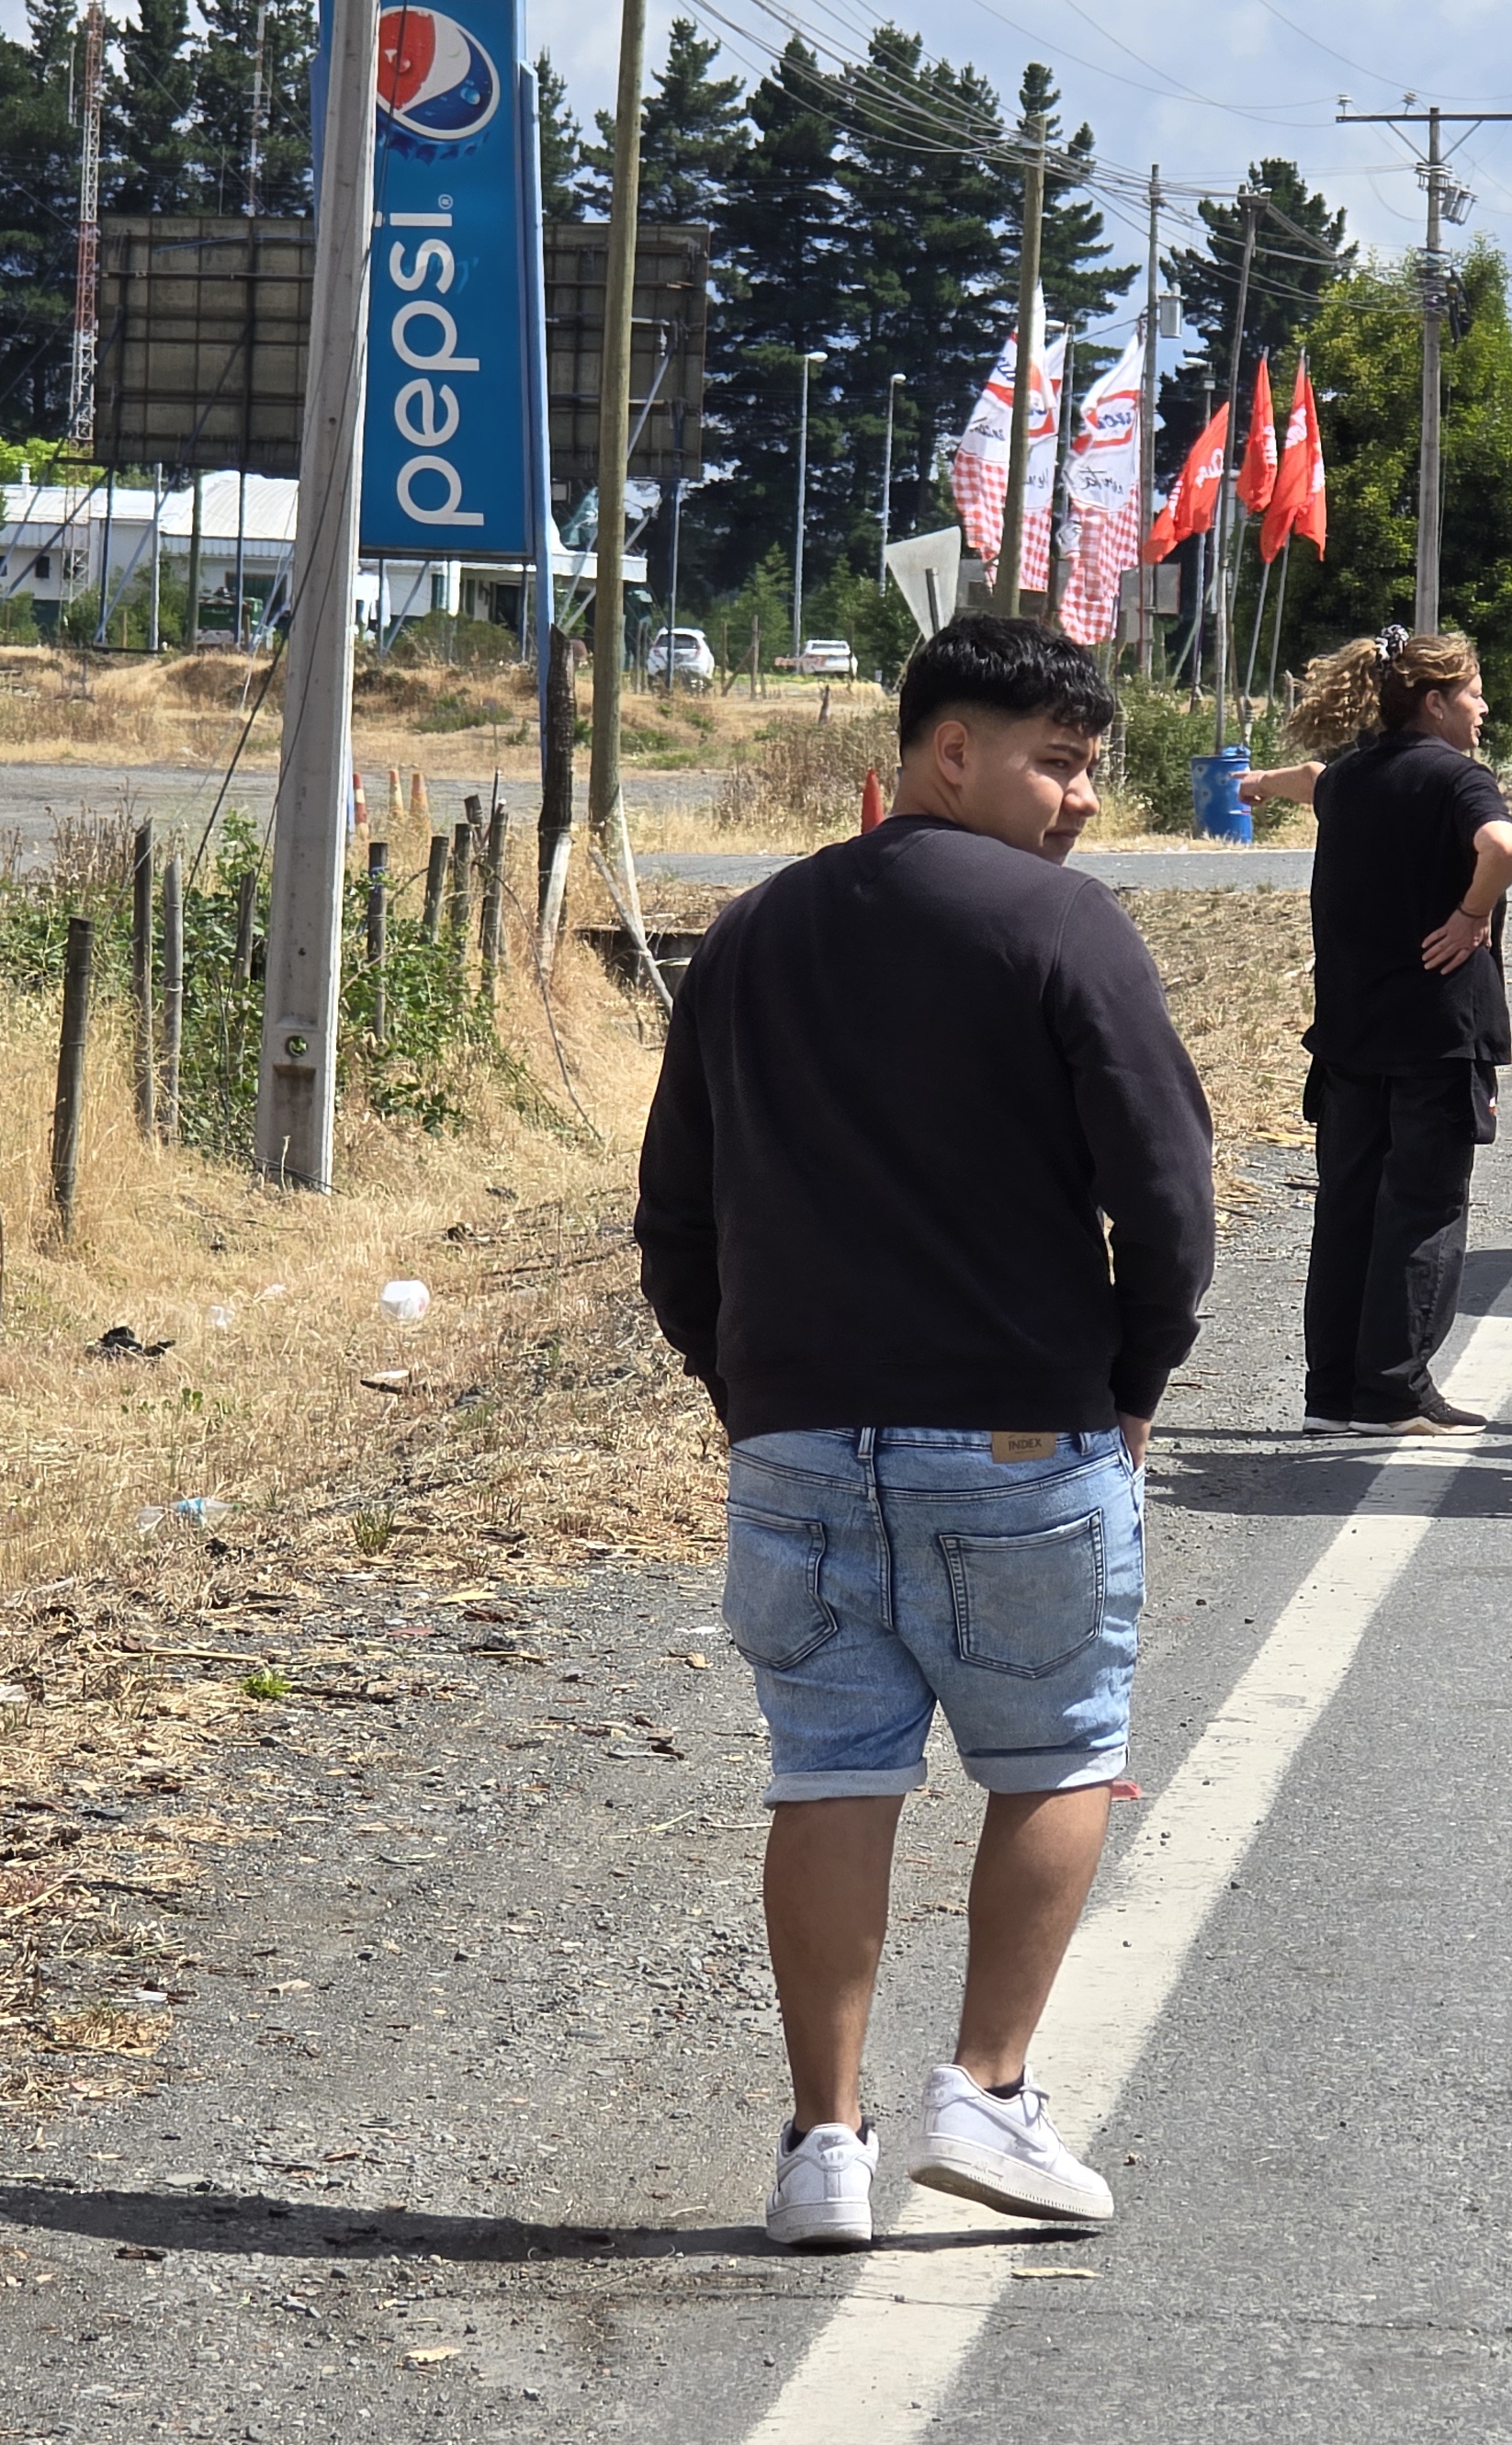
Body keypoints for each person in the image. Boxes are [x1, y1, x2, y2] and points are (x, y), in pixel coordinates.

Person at [633, 616, 1218, 2252]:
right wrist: (1135, 1377)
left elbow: (673, 1212)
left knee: (828, 1774)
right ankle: (989, 2089)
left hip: (799, 1437)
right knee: (1058, 1758)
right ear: (943, 750)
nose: (1082, 799)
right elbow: (1167, 1195)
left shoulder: (750, 932)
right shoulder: (1066, 930)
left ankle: (825, 2144)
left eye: (1089, 767)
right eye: (1057, 761)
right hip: (1022, 1430)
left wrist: (746, 1389)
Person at [1241, 628, 1512, 1435]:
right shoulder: (1458, 778)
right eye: (1472, 691)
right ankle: (1394, 1393)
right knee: (1424, 1208)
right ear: (1434, 703)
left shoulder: (1353, 780)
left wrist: (1257, 781)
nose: (1483, 705)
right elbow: (1502, 847)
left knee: (1349, 1210)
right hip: (1436, 1034)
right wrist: (1472, 916)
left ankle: (1331, 1394)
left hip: (1350, 1033)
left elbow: (1310, 779)